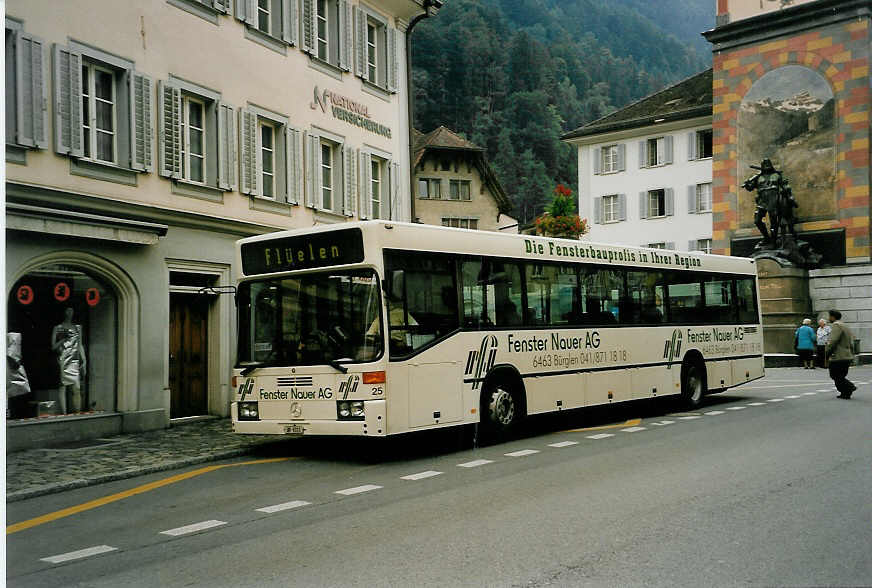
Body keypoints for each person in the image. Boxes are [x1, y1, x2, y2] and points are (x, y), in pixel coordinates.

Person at [51, 307, 87, 414]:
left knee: (76, 388)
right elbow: (53, 347)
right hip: (62, 360)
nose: (70, 313)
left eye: (72, 310)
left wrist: (84, 360)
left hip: (74, 361)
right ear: (63, 312)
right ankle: (64, 413)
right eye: (67, 310)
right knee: (63, 387)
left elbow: (80, 344)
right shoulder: (58, 328)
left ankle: (78, 412)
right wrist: (63, 339)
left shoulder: (77, 328)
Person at [825, 309, 856, 399]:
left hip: (838, 356)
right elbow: (851, 341)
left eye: (829, 316)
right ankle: (845, 393)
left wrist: (827, 352)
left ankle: (850, 387)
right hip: (847, 355)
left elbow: (833, 340)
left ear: (833, 317)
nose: (829, 318)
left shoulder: (836, 325)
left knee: (835, 375)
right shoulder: (845, 325)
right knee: (841, 375)